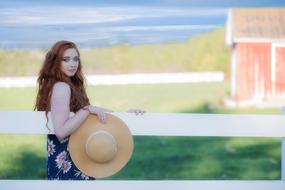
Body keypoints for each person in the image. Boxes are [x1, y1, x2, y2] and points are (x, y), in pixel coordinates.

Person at [34, 40, 144, 180]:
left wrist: (127, 116)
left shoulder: (65, 85)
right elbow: (61, 132)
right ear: (56, 62)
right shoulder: (62, 87)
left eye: (75, 59)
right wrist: (86, 110)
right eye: (66, 60)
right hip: (69, 163)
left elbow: (90, 119)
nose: (73, 64)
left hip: (77, 159)